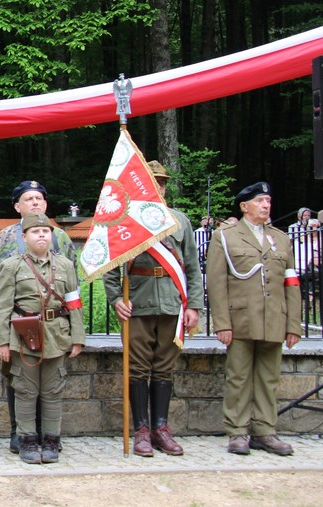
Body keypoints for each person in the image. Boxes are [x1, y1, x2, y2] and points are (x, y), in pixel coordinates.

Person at [103, 161, 203, 457]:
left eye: (161, 182)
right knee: (137, 368)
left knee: (165, 368)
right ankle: (141, 430)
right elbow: (110, 267)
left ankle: (161, 427)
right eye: (152, 182)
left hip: (172, 304)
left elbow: (193, 268)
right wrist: (115, 299)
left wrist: (194, 305)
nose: (157, 187)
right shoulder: (125, 221)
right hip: (138, 304)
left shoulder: (179, 221)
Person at [207, 181, 301, 456]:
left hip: (274, 319)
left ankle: (265, 432)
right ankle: (237, 432)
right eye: (260, 201)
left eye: (268, 201)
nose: (266, 205)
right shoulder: (225, 237)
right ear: (244, 206)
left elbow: (291, 283)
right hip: (241, 320)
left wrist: (293, 324)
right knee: (238, 377)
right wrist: (222, 323)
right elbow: (216, 282)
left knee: (268, 379)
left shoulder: (281, 238)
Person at [0, 179, 76, 452]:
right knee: (22, 382)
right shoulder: (4, 237)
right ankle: (21, 432)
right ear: (17, 206)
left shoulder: (59, 236)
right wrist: (2, 329)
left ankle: (48, 435)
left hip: (52, 325)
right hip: (21, 323)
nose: (35, 202)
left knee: (51, 385)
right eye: (29, 199)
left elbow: (70, 281)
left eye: (39, 198)